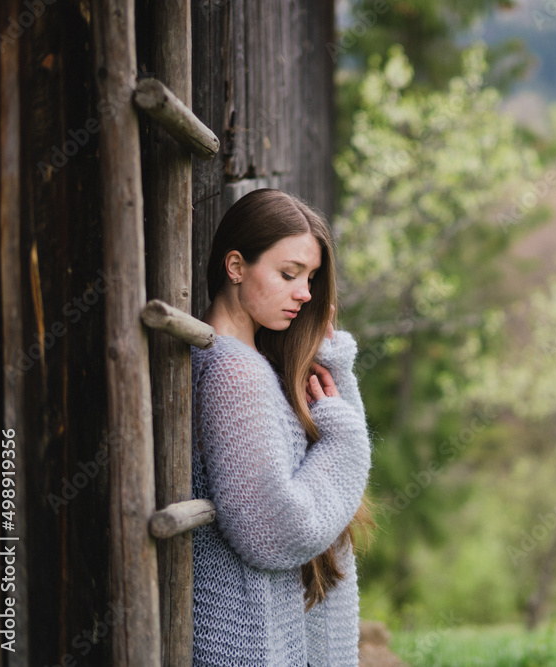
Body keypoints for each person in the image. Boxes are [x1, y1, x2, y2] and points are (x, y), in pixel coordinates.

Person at [190, 188, 374, 666]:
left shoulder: (257, 362)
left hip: (264, 631)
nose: (305, 292)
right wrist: (346, 440)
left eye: (310, 278)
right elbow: (277, 527)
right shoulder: (234, 372)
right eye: (288, 274)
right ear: (235, 267)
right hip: (247, 639)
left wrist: (330, 363)